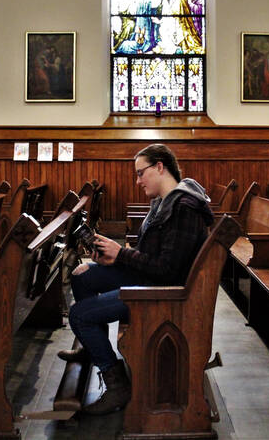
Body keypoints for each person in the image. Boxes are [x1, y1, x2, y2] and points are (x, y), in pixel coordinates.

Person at [59, 143, 214, 415]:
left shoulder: (184, 208)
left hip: (162, 294)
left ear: (159, 167)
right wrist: (113, 257)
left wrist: (122, 254)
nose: (138, 180)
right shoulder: (165, 203)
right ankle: (91, 347)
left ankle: (116, 384)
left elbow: (168, 271)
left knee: (80, 315)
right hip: (151, 279)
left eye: (141, 173)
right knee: (83, 278)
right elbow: (151, 255)